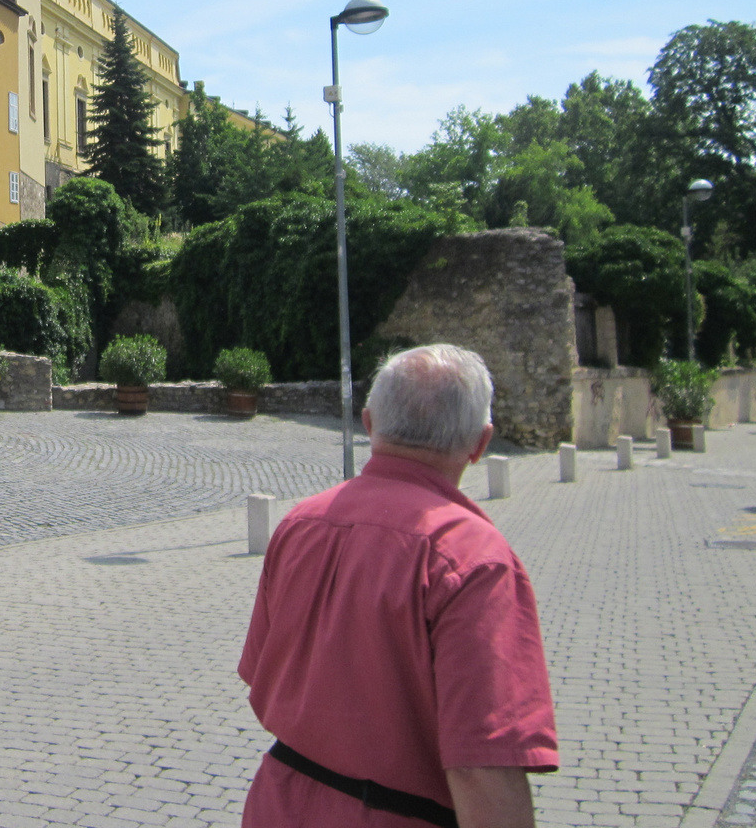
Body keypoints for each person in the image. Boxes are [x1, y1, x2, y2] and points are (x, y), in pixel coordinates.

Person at [238, 344, 556, 828]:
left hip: (278, 805)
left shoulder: (299, 524)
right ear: (481, 442)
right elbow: (480, 766)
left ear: (369, 424)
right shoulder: (474, 560)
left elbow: (261, 672)